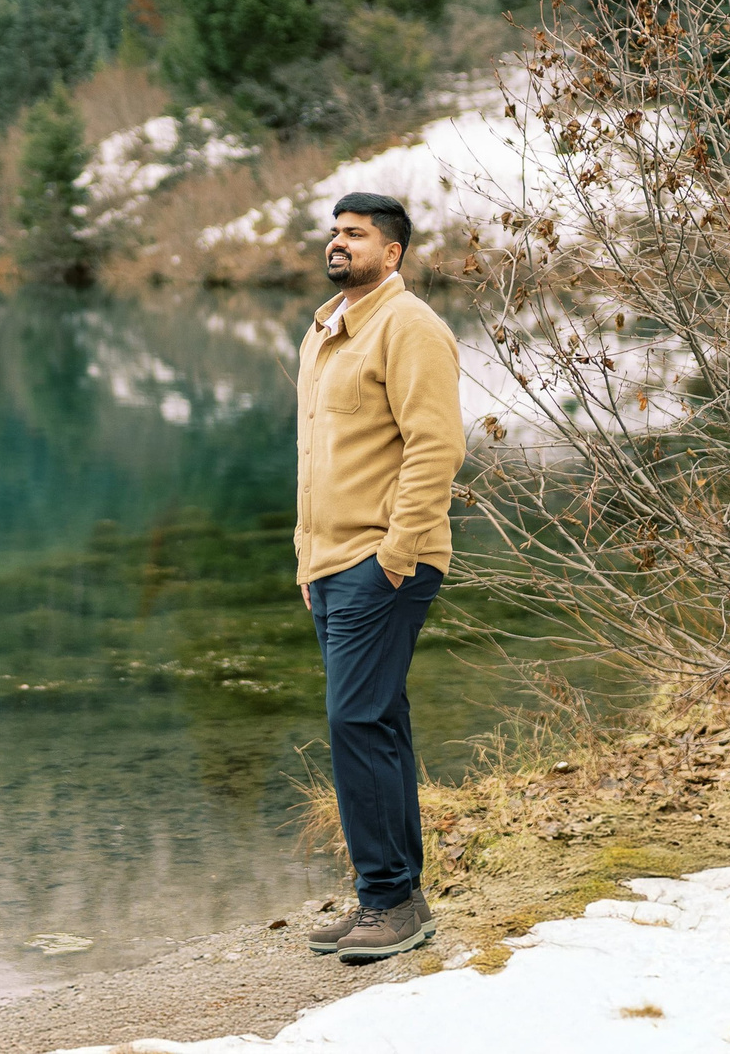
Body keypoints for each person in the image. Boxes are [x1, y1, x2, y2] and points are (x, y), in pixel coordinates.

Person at [292, 191, 463, 960]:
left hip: (383, 561)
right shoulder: (324, 330)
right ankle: (397, 898)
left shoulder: (410, 327)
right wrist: (306, 555)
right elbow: (314, 458)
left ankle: (387, 899)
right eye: (335, 232)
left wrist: (397, 552)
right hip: (330, 563)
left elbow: (436, 447)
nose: (339, 244)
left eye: (355, 235)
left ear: (391, 253)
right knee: (377, 721)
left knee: (355, 722)